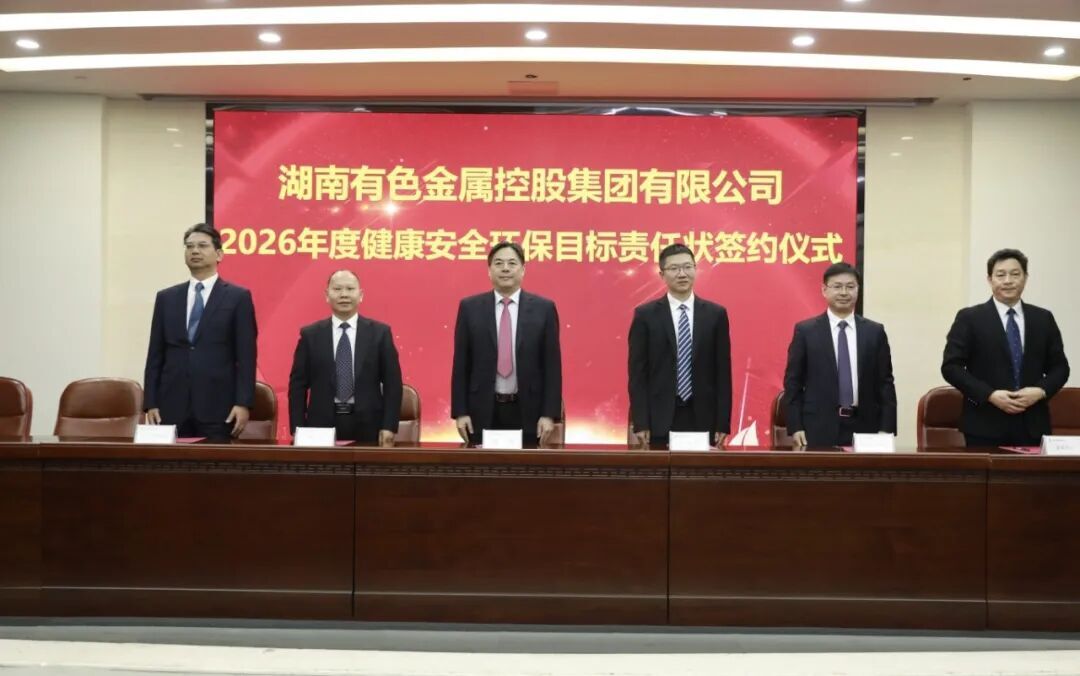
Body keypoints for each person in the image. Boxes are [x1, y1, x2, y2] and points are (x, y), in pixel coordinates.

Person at [942, 248, 1070, 447]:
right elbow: (951, 367)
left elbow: (1060, 368)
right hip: (984, 424)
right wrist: (989, 395)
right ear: (990, 279)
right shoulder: (969, 318)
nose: (1008, 281)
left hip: (1032, 424)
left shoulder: (1043, 318)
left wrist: (1040, 391)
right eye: (1000, 275)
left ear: (1025, 278)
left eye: (1015, 274)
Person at [143, 223, 257, 441]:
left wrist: (243, 403)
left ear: (219, 254)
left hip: (218, 406)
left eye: (202, 246)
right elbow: (155, 354)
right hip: (171, 405)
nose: (195, 251)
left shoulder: (238, 297)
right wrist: (151, 402)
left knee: (214, 462)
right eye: (189, 246)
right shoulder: (167, 298)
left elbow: (246, 357)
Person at [451, 241, 562, 446]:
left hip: (529, 410)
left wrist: (549, 414)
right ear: (489, 270)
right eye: (498, 263)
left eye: (512, 263)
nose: (505, 268)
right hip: (481, 410)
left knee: (526, 464)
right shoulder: (470, 308)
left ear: (523, 270)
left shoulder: (544, 309)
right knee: (483, 466)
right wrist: (460, 411)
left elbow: (552, 366)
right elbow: (461, 364)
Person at [628, 242, 732, 448]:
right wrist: (641, 422)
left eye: (687, 267)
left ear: (695, 269)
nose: (682, 274)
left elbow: (723, 373)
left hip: (704, 417)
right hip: (659, 418)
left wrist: (723, 422)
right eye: (674, 268)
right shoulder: (645, 315)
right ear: (662, 274)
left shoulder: (715, 315)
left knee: (700, 470)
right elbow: (637, 375)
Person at [783, 262, 897, 448]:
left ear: (858, 290)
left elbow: (885, 383)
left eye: (850, 287)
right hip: (817, 426)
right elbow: (793, 383)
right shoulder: (806, 331)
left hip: (867, 427)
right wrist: (796, 426)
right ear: (824, 290)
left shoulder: (874, 332)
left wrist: (887, 428)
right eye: (837, 286)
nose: (844, 293)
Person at [288, 270, 402, 446]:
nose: (344, 295)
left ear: (361, 295)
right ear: (327, 295)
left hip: (369, 423)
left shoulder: (380, 333)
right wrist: (297, 427)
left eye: (350, 289)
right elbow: (298, 385)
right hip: (320, 424)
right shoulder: (310, 335)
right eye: (337, 289)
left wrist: (389, 426)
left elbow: (392, 383)